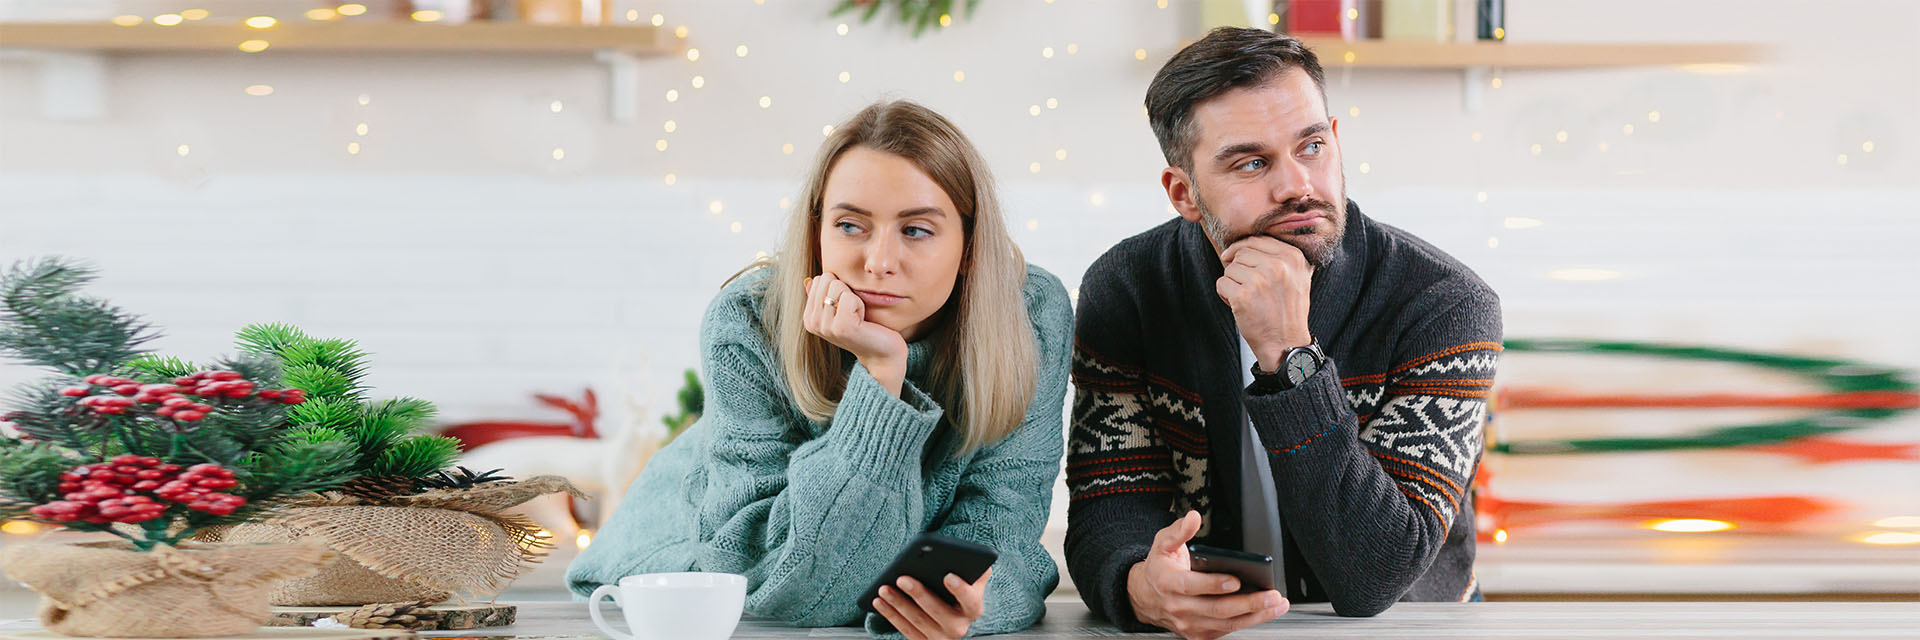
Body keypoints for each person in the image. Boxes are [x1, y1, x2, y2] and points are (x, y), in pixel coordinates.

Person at [567, 100, 1072, 640]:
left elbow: (1007, 533)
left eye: (917, 230)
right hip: (702, 567)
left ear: (970, 247)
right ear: (816, 234)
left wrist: (968, 605)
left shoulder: (1031, 315)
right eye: (851, 225)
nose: (878, 261)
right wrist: (881, 372)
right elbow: (795, 583)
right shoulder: (747, 320)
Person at [1064, 27, 1504, 640]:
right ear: (1184, 193)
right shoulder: (1129, 289)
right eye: (1251, 162)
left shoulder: (1442, 306)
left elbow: (1375, 576)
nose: (1297, 185)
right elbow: (1108, 510)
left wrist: (1288, 354)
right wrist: (1139, 585)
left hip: (1408, 629)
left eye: (1312, 146)